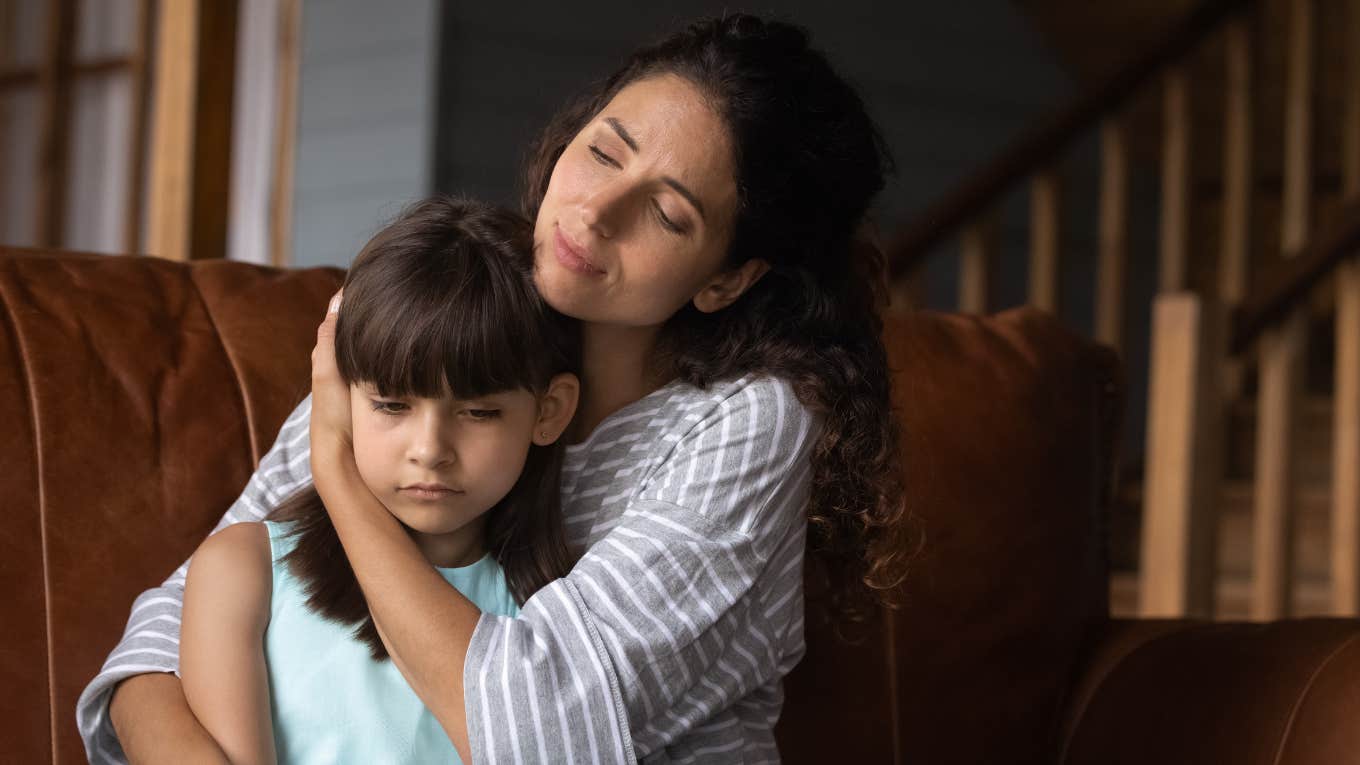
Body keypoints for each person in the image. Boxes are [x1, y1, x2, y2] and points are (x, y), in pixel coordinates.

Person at [78, 13, 914, 764]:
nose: (593, 214)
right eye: (603, 151)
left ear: (727, 279)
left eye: (667, 214)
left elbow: (536, 731)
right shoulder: (448, 331)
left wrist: (338, 473)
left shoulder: (747, 424)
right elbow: (165, 631)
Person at [178, 197, 581, 764]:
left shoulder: (570, 608)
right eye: (392, 405)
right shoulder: (244, 572)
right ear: (339, 397)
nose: (429, 451)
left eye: (479, 412)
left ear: (550, 411)